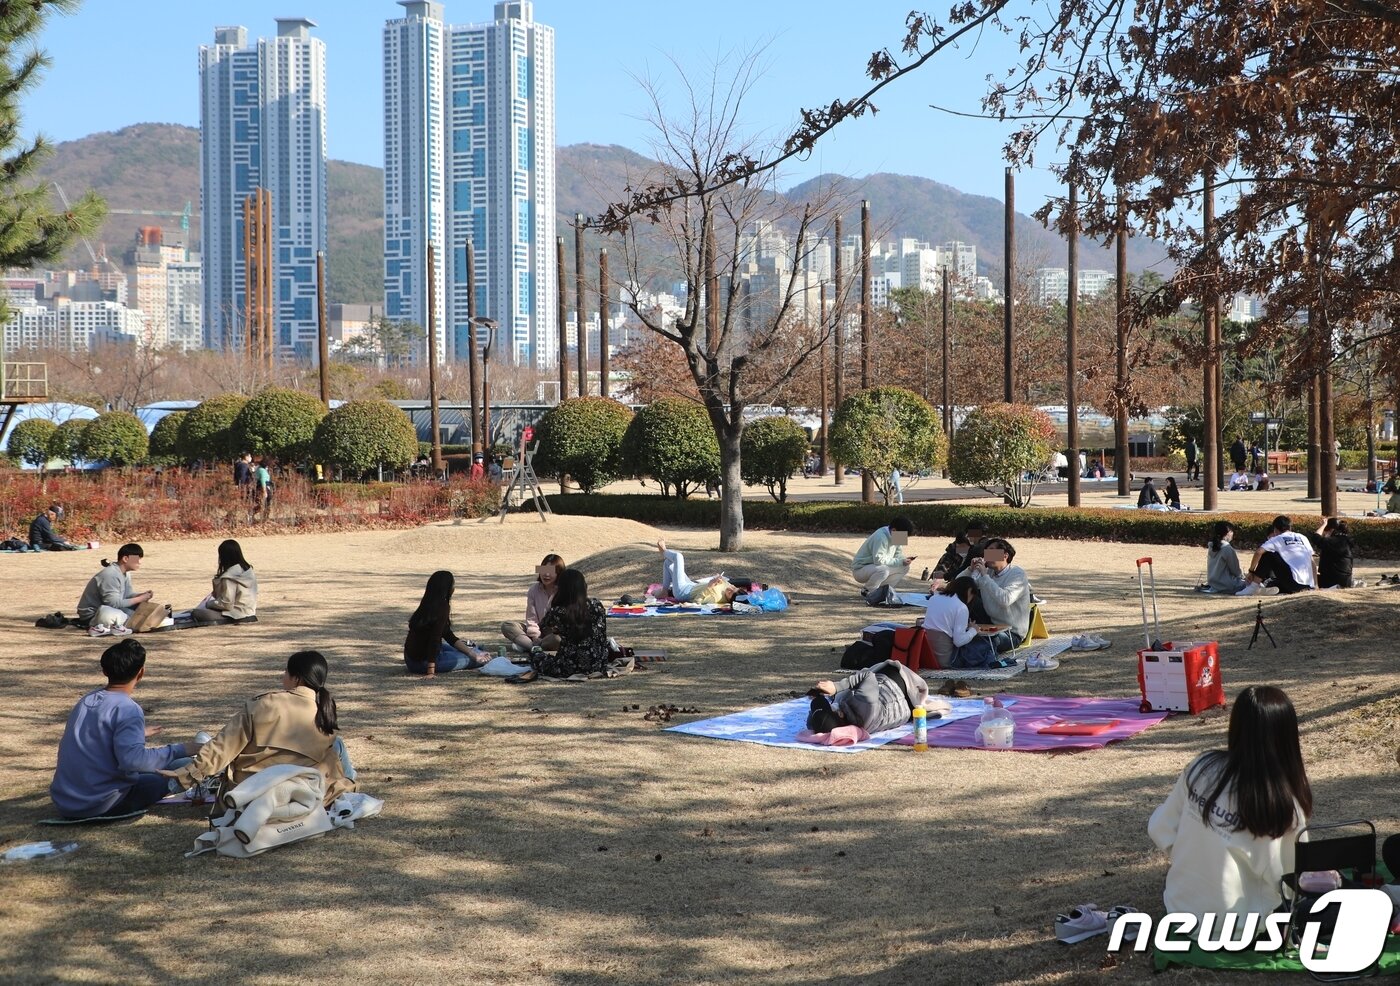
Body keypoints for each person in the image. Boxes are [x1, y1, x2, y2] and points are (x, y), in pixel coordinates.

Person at [1148, 686, 1311, 924]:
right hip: (1240, 928)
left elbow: (1161, 828)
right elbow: (1291, 884)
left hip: (1179, 909)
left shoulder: (1201, 768)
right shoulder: (1283, 807)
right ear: (1287, 738)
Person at [162, 651, 357, 806]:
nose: (283, 676)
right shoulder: (324, 712)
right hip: (302, 792)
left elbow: (223, 747)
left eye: (286, 672)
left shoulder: (263, 704)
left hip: (251, 792)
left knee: (183, 756)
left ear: (296, 678)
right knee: (336, 746)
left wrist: (185, 777)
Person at [49, 639, 200, 819]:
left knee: (164, 765)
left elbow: (94, 735)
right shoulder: (128, 709)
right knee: (179, 770)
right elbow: (133, 762)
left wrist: (139, 733)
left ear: (105, 671)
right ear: (141, 672)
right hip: (99, 804)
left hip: (65, 802)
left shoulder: (87, 700)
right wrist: (181, 749)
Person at [507, 569, 610, 683]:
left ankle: (531, 647)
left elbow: (543, 626)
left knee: (536, 656)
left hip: (570, 666)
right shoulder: (597, 605)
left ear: (561, 589)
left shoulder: (558, 611)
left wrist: (553, 600)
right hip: (599, 663)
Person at [807, 660, 929, 736]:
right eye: (831, 708)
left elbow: (814, 721)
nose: (832, 705)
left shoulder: (852, 724)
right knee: (867, 674)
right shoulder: (863, 703)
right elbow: (868, 676)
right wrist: (837, 687)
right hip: (897, 686)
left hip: (905, 712)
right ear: (840, 714)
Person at [404, 571, 490, 676]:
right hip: (423, 662)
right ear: (447, 588)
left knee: (469, 652)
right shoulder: (442, 607)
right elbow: (434, 640)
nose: (454, 588)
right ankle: (477, 650)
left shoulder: (428, 603)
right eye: (453, 585)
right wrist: (431, 670)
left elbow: (448, 635)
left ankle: (476, 650)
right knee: (477, 660)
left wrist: (472, 653)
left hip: (410, 658)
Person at [920, 575, 1001, 669]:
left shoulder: (934, 598)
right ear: (969, 591)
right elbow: (959, 641)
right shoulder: (961, 607)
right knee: (987, 645)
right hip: (947, 659)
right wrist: (973, 630)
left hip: (927, 656)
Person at [967, 538, 1031, 653]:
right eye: (987, 552)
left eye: (992, 552)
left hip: (1011, 632)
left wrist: (984, 576)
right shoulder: (989, 572)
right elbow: (964, 587)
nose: (988, 556)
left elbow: (1005, 600)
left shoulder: (1017, 574)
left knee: (987, 641)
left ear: (1005, 555)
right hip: (991, 623)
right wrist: (971, 569)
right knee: (967, 598)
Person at [76, 543, 153, 628]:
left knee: (142, 610)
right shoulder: (110, 575)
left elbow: (127, 595)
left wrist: (141, 596)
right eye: (137, 559)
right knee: (130, 615)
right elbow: (113, 603)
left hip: (113, 608)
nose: (140, 562)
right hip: (93, 616)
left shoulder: (125, 573)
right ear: (125, 559)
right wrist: (139, 599)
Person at [501, 553, 566, 651]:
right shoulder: (534, 590)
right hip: (536, 630)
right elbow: (531, 617)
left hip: (554, 632)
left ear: (559, 573)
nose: (546, 574)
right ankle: (534, 648)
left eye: (551, 571)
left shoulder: (564, 590)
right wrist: (535, 635)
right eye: (543, 570)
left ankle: (527, 645)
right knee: (507, 626)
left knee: (558, 638)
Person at [1238, 515, 1316, 595]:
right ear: (1290, 527)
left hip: (1294, 583)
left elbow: (1258, 552)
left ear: (1275, 529)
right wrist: (1315, 585)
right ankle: (1268, 587)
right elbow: (1312, 562)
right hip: (1308, 585)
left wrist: (1251, 571)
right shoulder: (1303, 537)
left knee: (1269, 554)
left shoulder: (1277, 538)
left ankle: (1253, 587)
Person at [190, 539, 260, 624]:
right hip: (249, 612)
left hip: (234, 615)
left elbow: (227, 604)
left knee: (196, 613)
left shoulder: (229, 576)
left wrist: (209, 604)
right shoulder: (247, 570)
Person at [655, 540, 737, 605]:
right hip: (691, 585)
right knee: (668, 563)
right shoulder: (729, 587)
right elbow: (726, 583)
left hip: (683, 592)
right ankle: (664, 591)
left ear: (729, 600)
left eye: (730, 593)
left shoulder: (716, 598)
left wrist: (709, 586)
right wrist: (718, 578)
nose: (730, 588)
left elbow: (697, 601)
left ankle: (664, 551)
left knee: (678, 556)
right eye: (733, 588)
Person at [851, 516, 916, 595]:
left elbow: (898, 554)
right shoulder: (881, 537)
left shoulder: (896, 533)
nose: (904, 538)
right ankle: (868, 591)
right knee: (883, 570)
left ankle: (882, 591)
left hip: (875, 568)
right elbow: (879, 560)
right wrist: (900, 561)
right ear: (894, 530)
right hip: (860, 570)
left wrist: (903, 560)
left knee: (905, 567)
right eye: (904, 536)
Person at [1310, 518, 1355, 590]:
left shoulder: (1333, 542)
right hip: (1346, 580)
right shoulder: (1347, 540)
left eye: (1325, 531)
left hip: (1332, 581)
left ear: (1331, 530)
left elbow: (1315, 537)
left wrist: (1324, 525)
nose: (1324, 534)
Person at [1205, 522, 1247, 594]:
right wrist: (1243, 577)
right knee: (1254, 584)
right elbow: (1235, 571)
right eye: (1232, 531)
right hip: (1227, 584)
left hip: (1213, 583)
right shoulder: (1227, 548)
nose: (1233, 534)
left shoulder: (1211, 547)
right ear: (1228, 533)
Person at [254, 457, 273, 522]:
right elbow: (263, 481)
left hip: (260, 487)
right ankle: (265, 518)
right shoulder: (262, 471)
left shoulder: (259, 469)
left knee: (262, 504)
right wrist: (265, 491)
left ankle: (264, 517)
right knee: (266, 503)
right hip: (264, 488)